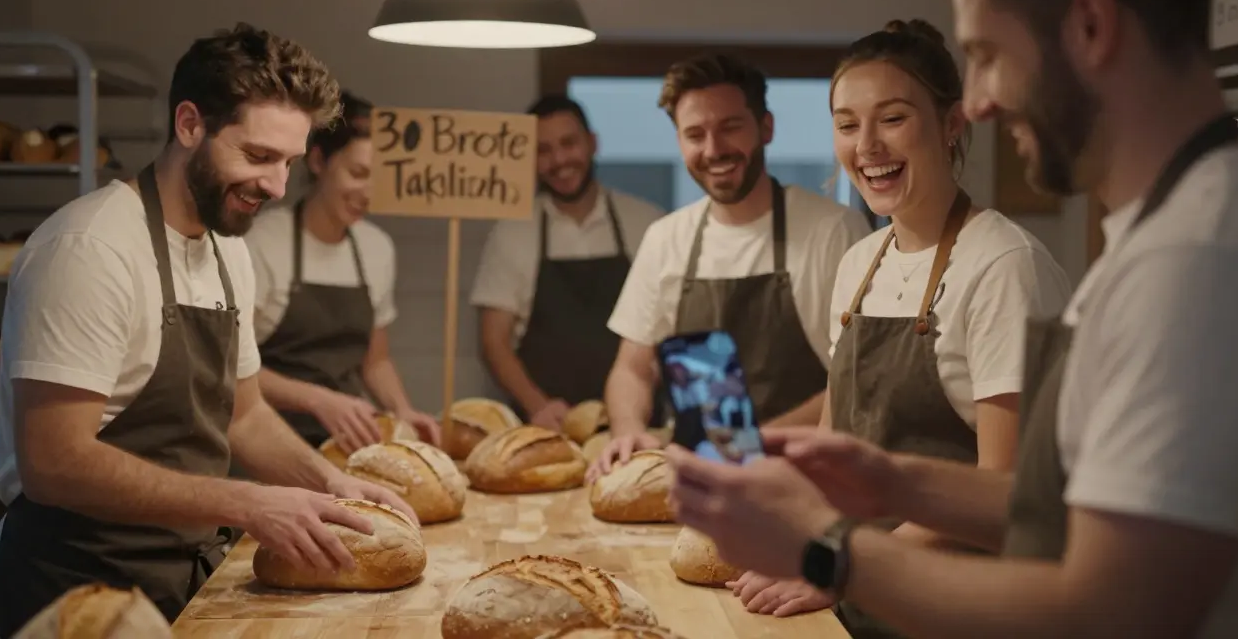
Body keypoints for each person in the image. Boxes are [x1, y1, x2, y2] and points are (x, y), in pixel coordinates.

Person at [664, 0, 1238, 637]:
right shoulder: (1164, 235)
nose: (977, 101)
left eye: (987, 55)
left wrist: (831, 555)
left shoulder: (1196, 259)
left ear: (1091, 25)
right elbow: (1060, 508)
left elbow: (1109, 607)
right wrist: (895, 482)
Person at [0, 24, 415, 637]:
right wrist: (246, 501)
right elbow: (54, 462)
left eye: (289, 162)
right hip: (77, 588)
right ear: (189, 125)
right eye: (258, 157)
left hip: (181, 575)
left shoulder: (226, 249)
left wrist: (334, 485)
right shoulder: (89, 249)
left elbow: (246, 415)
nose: (278, 186)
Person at [728, 20, 1072, 627]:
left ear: (951, 124)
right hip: (861, 598)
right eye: (846, 125)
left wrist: (839, 565)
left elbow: (1007, 489)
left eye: (892, 119)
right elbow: (834, 442)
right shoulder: (861, 262)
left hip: (959, 607)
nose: (867, 146)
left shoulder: (1004, 265)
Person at [588, 53, 872, 482]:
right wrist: (628, 431)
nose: (713, 149)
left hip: (805, 475)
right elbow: (633, 368)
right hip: (696, 480)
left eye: (730, 127)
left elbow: (856, 378)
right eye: (695, 134)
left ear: (765, 127)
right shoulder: (666, 239)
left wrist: (748, 447)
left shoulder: (833, 231)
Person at [246, 90, 441, 454]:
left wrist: (402, 410)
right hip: (266, 440)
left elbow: (375, 361)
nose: (369, 193)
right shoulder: (263, 244)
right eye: (358, 173)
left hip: (348, 442)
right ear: (318, 161)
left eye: (380, 178)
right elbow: (229, 367)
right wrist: (318, 400)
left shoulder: (376, 248)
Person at [470, 94, 665, 429]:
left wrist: (634, 406)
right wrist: (538, 406)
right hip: (544, 429)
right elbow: (493, 342)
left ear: (592, 143)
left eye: (568, 143)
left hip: (638, 426)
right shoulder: (512, 233)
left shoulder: (647, 223)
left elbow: (670, 327)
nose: (559, 160)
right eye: (543, 150)